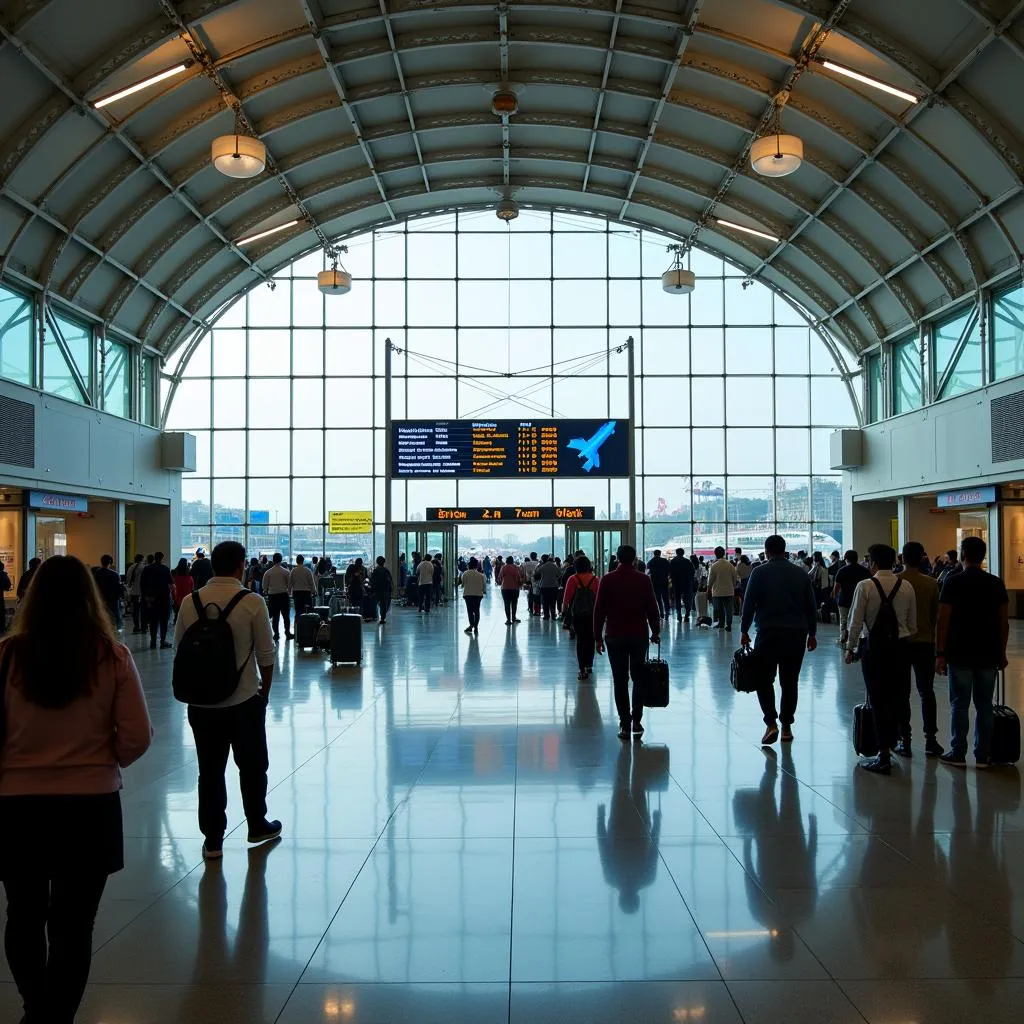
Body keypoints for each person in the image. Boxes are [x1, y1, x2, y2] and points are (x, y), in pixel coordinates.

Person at [0, 555, 153, 1023]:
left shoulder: (6, 655)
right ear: (90, 598)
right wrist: (102, 761)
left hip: (16, 807)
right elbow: (137, 736)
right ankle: (59, 1015)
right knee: (73, 922)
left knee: (23, 914)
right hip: (90, 807)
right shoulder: (111, 656)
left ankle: (34, 1006)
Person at [173, 541, 280, 859]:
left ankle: (213, 839)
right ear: (240, 565)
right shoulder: (252, 602)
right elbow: (266, 653)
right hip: (244, 699)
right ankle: (257, 823)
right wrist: (266, 692)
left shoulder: (191, 602)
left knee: (209, 770)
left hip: (202, 703)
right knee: (252, 766)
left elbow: (180, 646)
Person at [935, 536, 1009, 768]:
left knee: (960, 703)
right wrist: (1002, 652)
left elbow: (943, 621)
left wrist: (940, 652)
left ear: (963, 553)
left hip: (960, 652)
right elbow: (1003, 622)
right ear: (983, 556)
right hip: (988, 652)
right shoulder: (996, 583)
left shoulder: (953, 581)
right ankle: (983, 755)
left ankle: (958, 752)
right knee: (985, 703)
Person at [845, 544, 917, 775]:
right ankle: (901, 740)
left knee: (877, 698)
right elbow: (912, 623)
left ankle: (882, 752)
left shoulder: (865, 586)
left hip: (874, 648)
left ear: (873, 563)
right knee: (899, 695)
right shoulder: (906, 586)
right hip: (901, 647)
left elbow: (855, 620)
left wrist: (850, 647)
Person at [740, 535, 818, 746]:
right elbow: (811, 605)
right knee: (789, 681)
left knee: (764, 680)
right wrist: (812, 633)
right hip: (796, 634)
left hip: (768, 633)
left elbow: (749, 604)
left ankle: (771, 722)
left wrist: (744, 630)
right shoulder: (800, 573)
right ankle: (787, 726)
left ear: (766, 551)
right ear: (785, 551)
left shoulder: (759, 572)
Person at [594, 544, 661, 740]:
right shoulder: (643, 580)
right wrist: (655, 631)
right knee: (638, 677)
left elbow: (599, 610)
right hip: (639, 634)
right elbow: (652, 607)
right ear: (635, 559)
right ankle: (637, 721)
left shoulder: (607, 580)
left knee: (620, 679)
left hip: (615, 635)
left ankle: (624, 723)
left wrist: (597, 636)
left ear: (616, 558)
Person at [896, 541, 944, 758]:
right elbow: (936, 617)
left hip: (901, 643)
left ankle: (904, 740)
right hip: (925, 643)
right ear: (922, 557)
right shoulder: (931, 584)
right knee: (926, 692)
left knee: (901, 693)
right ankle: (931, 739)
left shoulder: (896, 582)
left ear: (902, 558)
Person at [563, 555, 599, 679]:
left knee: (581, 641)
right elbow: (599, 599)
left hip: (577, 614)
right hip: (592, 614)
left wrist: (564, 612)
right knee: (591, 639)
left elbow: (566, 598)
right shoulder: (595, 579)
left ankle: (582, 668)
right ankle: (589, 665)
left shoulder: (573, 579)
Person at [833, 550, 870, 648]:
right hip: (860, 600)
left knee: (844, 621)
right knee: (859, 620)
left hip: (844, 599)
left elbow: (837, 586)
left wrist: (835, 596)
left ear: (846, 558)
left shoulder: (842, 570)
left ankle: (843, 639)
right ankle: (858, 640)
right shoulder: (865, 571)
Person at [140, 551, 174, 649]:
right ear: (162, 558)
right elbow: (171, 582)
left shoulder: (147, 568)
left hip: (151, 599)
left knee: (153, 620)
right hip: (164, 598)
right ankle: (163, 641)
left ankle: (153, 642)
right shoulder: (165, 569)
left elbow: (142, 584)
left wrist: (145, 597)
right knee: (164, 621)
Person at [261, 552, 292, 642]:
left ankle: (276, 634)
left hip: (273, 596)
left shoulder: (268, 572)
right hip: (283, 595)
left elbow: (264, 586)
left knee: (275, 617)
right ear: (281, 560)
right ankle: (287, 633)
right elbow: (289, 585)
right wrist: (288, 591)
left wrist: (267, 590)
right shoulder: (286, 571)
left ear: (273, 560)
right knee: (286, 616)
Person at [708, 546, 738, 631]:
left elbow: (711, 580)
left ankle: (721, 624)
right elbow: (734, 578)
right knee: (729, 609)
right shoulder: (730, 565)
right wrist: (733, 586)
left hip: (717, 591)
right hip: (729, 591)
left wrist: (708, 590)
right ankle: (728, 625)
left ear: (715, 554)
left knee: (719, 609)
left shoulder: (714, 566)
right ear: (724, 554)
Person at [92, 554, 123, 630]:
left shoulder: (97, 573)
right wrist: (120, 597)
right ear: (110, 562)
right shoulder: (115, 574)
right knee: (117, 614)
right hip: (113, 598)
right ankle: (119, 630)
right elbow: (118, 588)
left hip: (101, 597)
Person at [669, 547, 695, 622]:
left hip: (676, 583)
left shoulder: (673, 561)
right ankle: (687, 615)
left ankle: (679, 615)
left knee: (677, 599)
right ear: (683, 553)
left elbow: (670, 572)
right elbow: (692, 572)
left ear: (676, 553)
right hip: (686, 583)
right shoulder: (687, 561)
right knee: (687, 599)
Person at [461, 557, 486, 634]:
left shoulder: (465, 574)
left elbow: (463, 584)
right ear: (476, 566)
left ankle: (471, 625)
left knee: (470, 611)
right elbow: (484, 586)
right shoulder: (481, 575)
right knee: (477, 610)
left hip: (468, 594)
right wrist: (483, 591)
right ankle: (476, 626)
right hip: (478, 595)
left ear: (469, 566)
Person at [647, 549, 671, 620]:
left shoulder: (651, 561)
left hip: (655, 582)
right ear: (660, 554)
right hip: (664, 581)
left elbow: (648, 570)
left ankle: (661, 613)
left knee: (658, 598)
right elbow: (669, 570)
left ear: (654, 554)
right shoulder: (664, 561)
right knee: (665, 598)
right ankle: (667, 613)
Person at [369, 556, 394, 624]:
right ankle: (383, 618)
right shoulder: (386, 570)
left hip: (377, 590)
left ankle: (374, 615)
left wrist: (372, 590)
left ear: (377, 562)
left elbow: (372, 581)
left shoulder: (376, 570)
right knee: (383, 604)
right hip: (385, 590)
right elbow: (390, 581)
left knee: (375, 602)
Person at [290, 554, 315, 619]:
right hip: (306, 593)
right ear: (303, 561)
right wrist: (314, 591)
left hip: (296, 593)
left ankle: (297, 626)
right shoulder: (308, 570)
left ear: (296, 561)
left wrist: (289, 592)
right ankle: (307, 625)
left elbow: (290, 582)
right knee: (307, 611)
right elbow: (311, 582)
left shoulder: (293, 571)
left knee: (298, 611)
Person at [537, 554, 562, 620]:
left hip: (544, 586)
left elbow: (537, 572)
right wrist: (555, 578)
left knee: (545, 602)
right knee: (553, 601)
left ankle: (546, 615)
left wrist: (540, 564)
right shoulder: (554, 566)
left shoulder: (543, 566)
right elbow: (559, 574)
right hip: (553, 586)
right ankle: (553, 615)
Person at [499, 555, 522, 625]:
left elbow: (500, 577)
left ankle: (508, 620)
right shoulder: (516, 567)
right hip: (515, 588)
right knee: (514, 603)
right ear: (512, 561)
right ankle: (514, 618)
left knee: (506, 603)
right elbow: (519, 578)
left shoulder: (503, 567)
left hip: (505, 588)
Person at [125, 553, 145, 632]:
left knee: (135, 611)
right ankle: (143, 627)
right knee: (143, 611)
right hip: (141, 592)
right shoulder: (143, 568)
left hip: (133, 592)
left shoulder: (130, 568)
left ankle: (136, 626)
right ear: (142, 560)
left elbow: (127, 580)